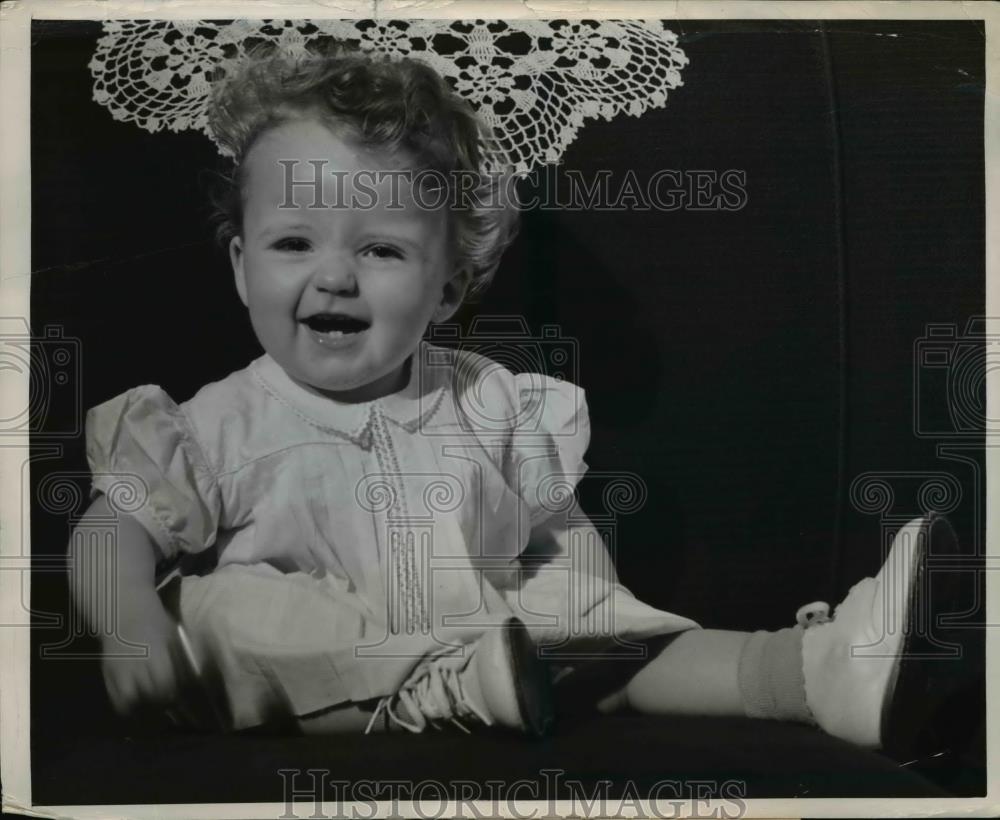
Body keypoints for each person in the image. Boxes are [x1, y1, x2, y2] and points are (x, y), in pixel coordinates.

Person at [69, 47, 954, 749]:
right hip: (311, 676)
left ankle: (813, 671)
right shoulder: (215, 424)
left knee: (601, 629)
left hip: (497, 639)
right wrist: (131, 625)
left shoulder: (487, 401)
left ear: (448, 288)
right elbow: (109, 532)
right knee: (221, 611)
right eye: (294, 241)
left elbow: (555, 526)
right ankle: (443, 697)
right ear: (240, 267)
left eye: (381, 250)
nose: (333, 276)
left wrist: (586, 610)